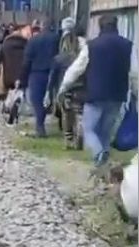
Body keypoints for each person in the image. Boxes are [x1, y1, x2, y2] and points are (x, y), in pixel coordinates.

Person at [57, 14, 135, 167]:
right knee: (105, 132)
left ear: (100, 26)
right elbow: (135, 72)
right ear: (116, 26)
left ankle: (99, 153)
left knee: (89, 129)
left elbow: (76, 69)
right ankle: (102, 165)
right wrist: (136, 93)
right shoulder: (128, 45)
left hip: (95, 94)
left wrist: (63, 87)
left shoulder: (92, 46)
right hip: (117, 95)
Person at [18, 17, 60, 137]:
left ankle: (40, 127)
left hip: (36, 74)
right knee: (51, 99)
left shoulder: (33, 41)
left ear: (41, 27)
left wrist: (22, 78)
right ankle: (57, 124)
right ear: (52, 26)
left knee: (37, 101)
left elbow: (27, 61)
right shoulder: (57, 39)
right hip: (53, 72)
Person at [48, 19, 86, 149]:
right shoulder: (81, 58)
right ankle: (79, 132)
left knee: (66, 114)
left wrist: (49, 92)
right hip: (81, 88)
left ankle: (68, 138)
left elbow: (52, 78)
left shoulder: (58, 59)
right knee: (79, 112)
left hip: (65, 90)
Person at [0, 21, 30, 113]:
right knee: (21, 90)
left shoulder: (5, 44)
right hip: (23, 74)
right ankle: (18, 105)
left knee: (10, 90)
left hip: (8, 75)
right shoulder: (26, 44)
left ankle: (8, 106)